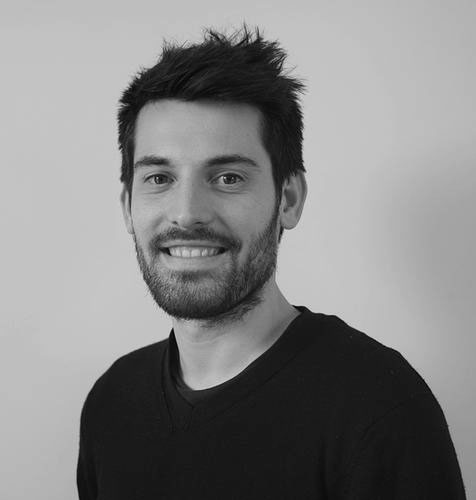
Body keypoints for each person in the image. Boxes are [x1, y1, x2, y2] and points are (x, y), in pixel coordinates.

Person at [77, 26, 466, 499]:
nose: (187, 212)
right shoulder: (111, 402)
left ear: (289, 199)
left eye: (228, 177)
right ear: (127, 206)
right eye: (159, 178)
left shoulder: (378, 408)